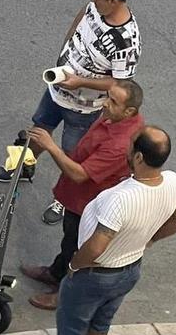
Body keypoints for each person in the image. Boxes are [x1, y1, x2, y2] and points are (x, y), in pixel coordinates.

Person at [37, 126, 176, 335]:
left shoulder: (120, 198)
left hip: (95, 273)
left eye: (131, 145)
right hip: (130, 269)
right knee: (100, 325)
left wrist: (75, 265)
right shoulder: (174, 182)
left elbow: (97, 247)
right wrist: (152, 238)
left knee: (73, 330)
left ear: (139, 158)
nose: (126, 148)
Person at [0, 0, 141, 225]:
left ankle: (63, 201)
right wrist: (65, 49)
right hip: (57, 89)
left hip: (83, 108)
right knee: (39, 129)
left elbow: (119, 83)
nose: (91, 1)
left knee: (73, 154)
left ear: (113, 1)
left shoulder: (126, 42)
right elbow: (81, 18)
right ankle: (23, 166)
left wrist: (80, 81)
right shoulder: (95, 9)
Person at [21, 79, 145, 311]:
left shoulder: (119, 144)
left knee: (75, 249)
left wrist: (50, 146)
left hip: (87, 204)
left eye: (113, 101)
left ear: (130, 111)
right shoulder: (115, 118)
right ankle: (55, 272)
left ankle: (63, 294)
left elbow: (80, 175)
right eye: (108, 96)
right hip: (77, 197)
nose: (105, 104)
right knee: (68, 241)